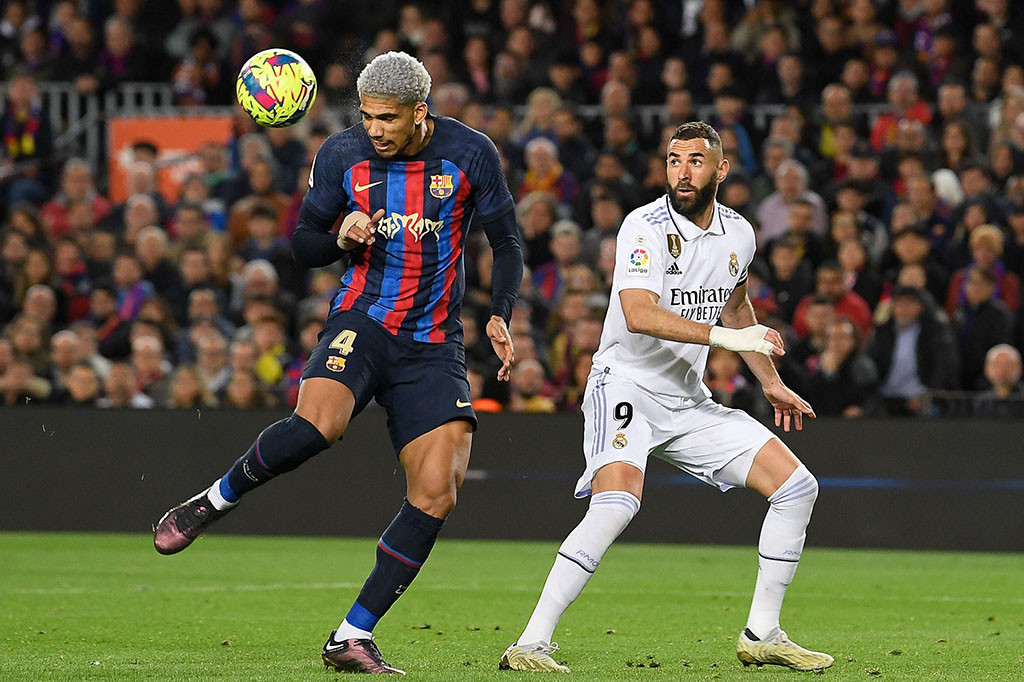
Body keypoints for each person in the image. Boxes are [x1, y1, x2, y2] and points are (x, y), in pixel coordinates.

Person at [152, 51, 522, 675]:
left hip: (433, 343)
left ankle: (352, 635)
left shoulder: (471, 153)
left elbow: (507, 241)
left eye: (387, 118)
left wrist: (501, 311)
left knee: (438, 490)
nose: (374, 129)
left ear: (419, 112)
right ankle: (212, 501)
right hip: (363, 320)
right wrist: (341, 236)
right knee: (318, 426)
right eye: (367, 116)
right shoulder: (341, 155)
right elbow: (302, 245)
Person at [500, 122, 833, 673]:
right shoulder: (644, 226)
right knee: (618, 503)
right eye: (674, 160)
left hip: (686, 397)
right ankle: (531, 643)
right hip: (625, 382)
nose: (682, 170)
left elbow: (736, 306)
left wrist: (770, 381)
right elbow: (639, 313)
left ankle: (763, 633)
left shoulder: (740, 234)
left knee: (797, 486)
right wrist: (729, 339)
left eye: (696, 161)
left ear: (721, 170)